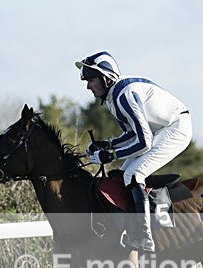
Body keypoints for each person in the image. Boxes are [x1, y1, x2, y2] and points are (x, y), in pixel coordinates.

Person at [75, 51, 193, 253]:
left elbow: (144, 142)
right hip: (161, 129)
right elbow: (131, 134)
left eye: (91, 80)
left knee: (134, 174)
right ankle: (132, 228)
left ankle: (144, 237)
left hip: (176, 127)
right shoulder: (114, 98)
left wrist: (109, 156)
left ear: (106, 77)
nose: (88, 86)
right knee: (124, 174)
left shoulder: (124, 96)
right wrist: (106, 145)